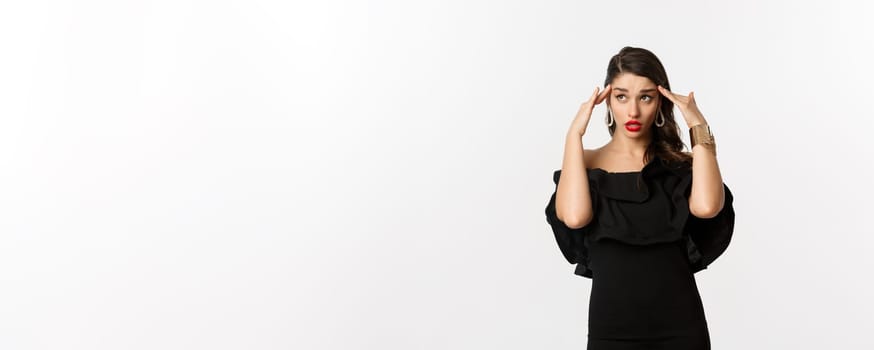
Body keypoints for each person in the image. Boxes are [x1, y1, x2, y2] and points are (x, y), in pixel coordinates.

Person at [544, 46, 735, 349]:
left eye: (645, 97)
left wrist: (697, 125)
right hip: (612, 331)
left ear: (660, 101)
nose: (633, 111)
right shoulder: (585, 163)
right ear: (606, 101)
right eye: (621, 97)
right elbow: (575, 216)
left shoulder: (681, 166)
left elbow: (708, 207)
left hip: (680, 329)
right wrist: (573, 136)